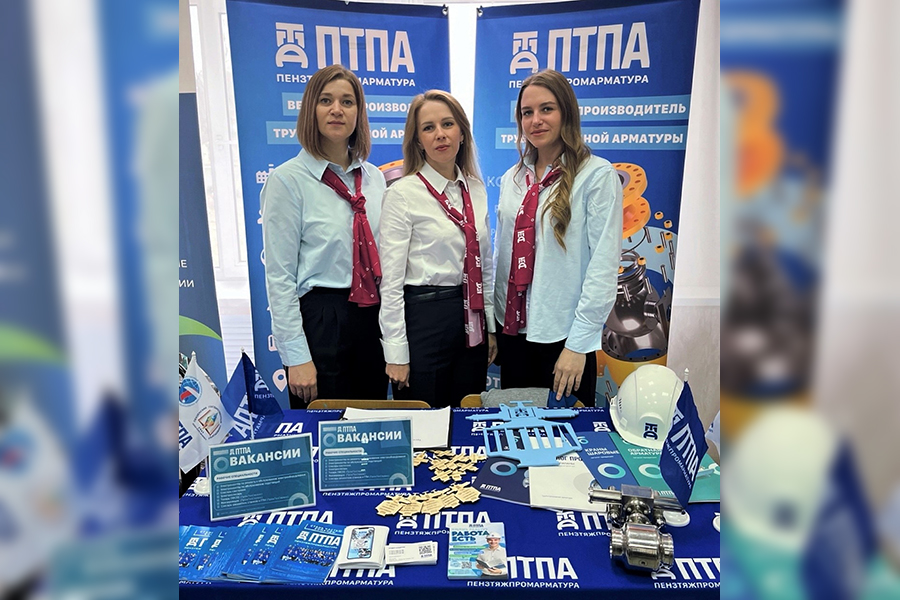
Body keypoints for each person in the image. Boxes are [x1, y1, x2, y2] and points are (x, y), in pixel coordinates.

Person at [260, 65, 387, 408]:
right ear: (310, 110)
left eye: (347, 101)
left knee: (373, 425)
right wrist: (296, 356)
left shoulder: (374, 179)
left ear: (359, 113)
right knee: (324, 430)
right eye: (326, 100)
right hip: (321, 322)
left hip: (371, 319)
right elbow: (280, 277)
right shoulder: (288, 181)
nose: (336, 110)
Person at [494, 69, 623, 407]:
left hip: (564, 337)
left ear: (566, 112)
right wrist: (495, 325)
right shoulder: (512, 178)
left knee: (568, 436)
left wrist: (578, 345)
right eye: (527, 112)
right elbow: (503, 257)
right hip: (513, 333)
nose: (535, 120)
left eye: (546, 109)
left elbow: (603, 266)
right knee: (515, 431)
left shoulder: (596, 175)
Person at [378, 90, 497, 407]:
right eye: (428, 128)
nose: (440, 134)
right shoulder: (402, 193)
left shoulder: (476, 189)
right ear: (418, 140)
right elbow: (390, 281)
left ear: (462, 133)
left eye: (447, 124)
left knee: (467, 413)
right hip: (424, 319)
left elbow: (485, 266)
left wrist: (490, 327)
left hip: (471, 318)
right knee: (425, 420)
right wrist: (396, 352)